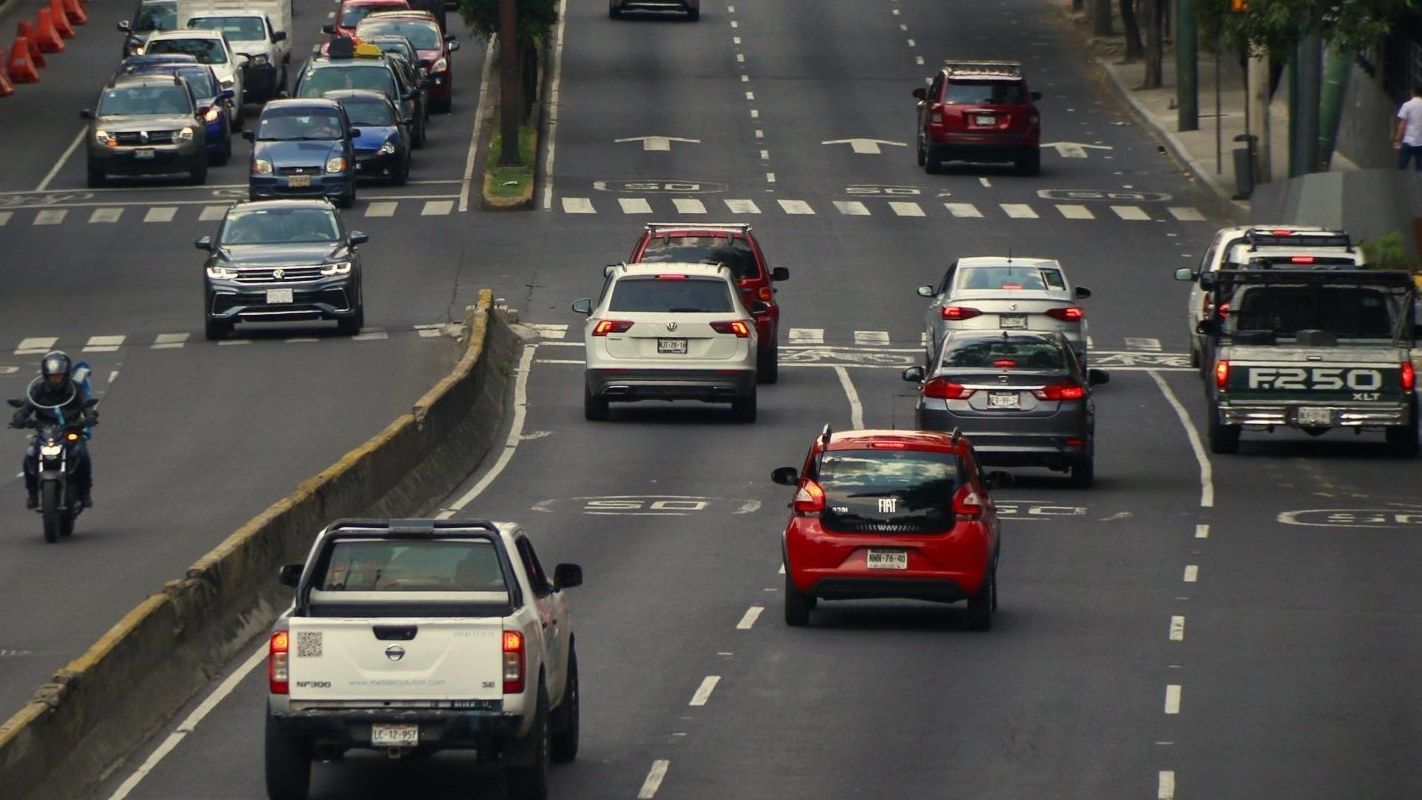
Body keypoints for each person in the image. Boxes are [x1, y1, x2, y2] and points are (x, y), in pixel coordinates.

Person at [9, 351, 96, 510]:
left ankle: (85, 492)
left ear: (66, 374)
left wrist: (89, 417)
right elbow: (27, 407)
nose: (55, 379)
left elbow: (87, 405)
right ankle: (33, 494)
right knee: (29, 456)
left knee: (82, 454)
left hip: (71, 430)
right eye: (52, 376)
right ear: (45, 375)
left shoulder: (75, 389)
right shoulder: (38, 389)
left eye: (59, 376)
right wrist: (19, 418)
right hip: (45, 431)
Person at [1395, 84, 1422, 170]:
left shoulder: (1407, 105)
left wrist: (1398, 139)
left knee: (1401, 168)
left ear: (1412, 92)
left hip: (1408, 141)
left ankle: (1400, 183)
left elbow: (1403, 124)